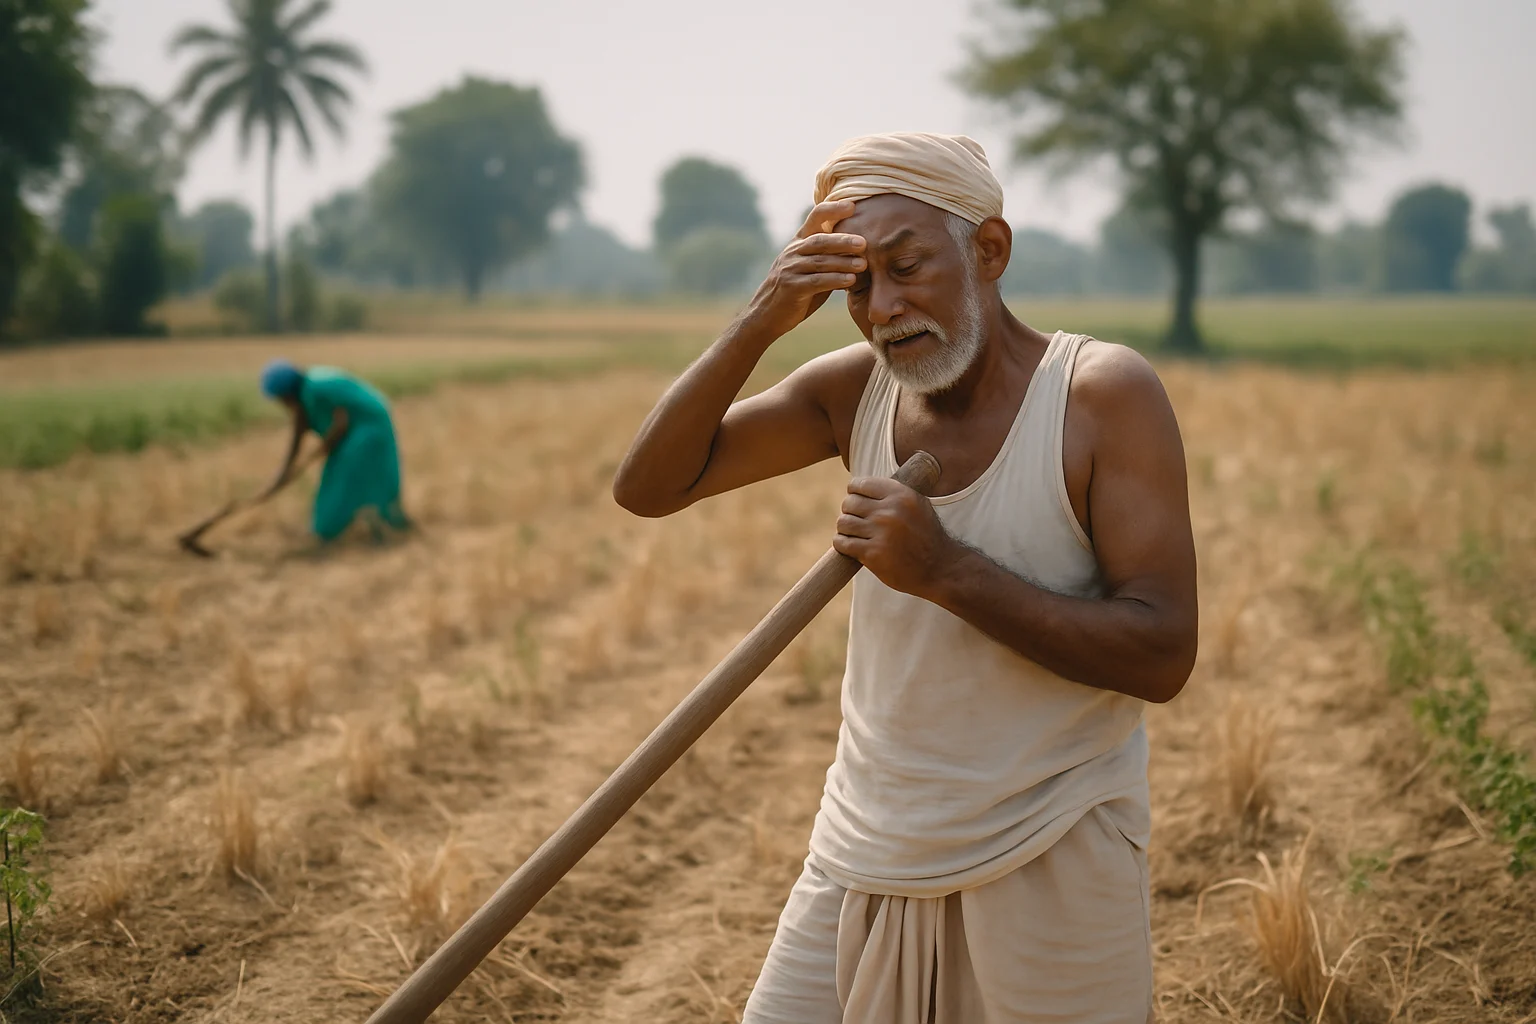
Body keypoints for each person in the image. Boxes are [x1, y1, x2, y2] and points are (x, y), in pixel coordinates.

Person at [612, 132, 1197, 1023]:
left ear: (989, 250)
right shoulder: (855, 392)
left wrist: (945, 570)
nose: (883, 308)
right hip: (863, 848)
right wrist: (760, 320)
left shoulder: (1099, 396)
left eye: (908, 266)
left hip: (1050, 849)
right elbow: (649, 487)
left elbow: (1161, 653)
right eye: (855, 285)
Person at [257, 360, 412, 543]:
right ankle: (354, 527)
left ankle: (363, 527)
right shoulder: (306, 394)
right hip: (356, 433)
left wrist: (323, 448)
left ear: (286, 393)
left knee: (349, 479)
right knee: (346, 478)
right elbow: (299, 429)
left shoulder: (317, 388)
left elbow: (341, 421)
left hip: (368, 429)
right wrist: (282, 473)